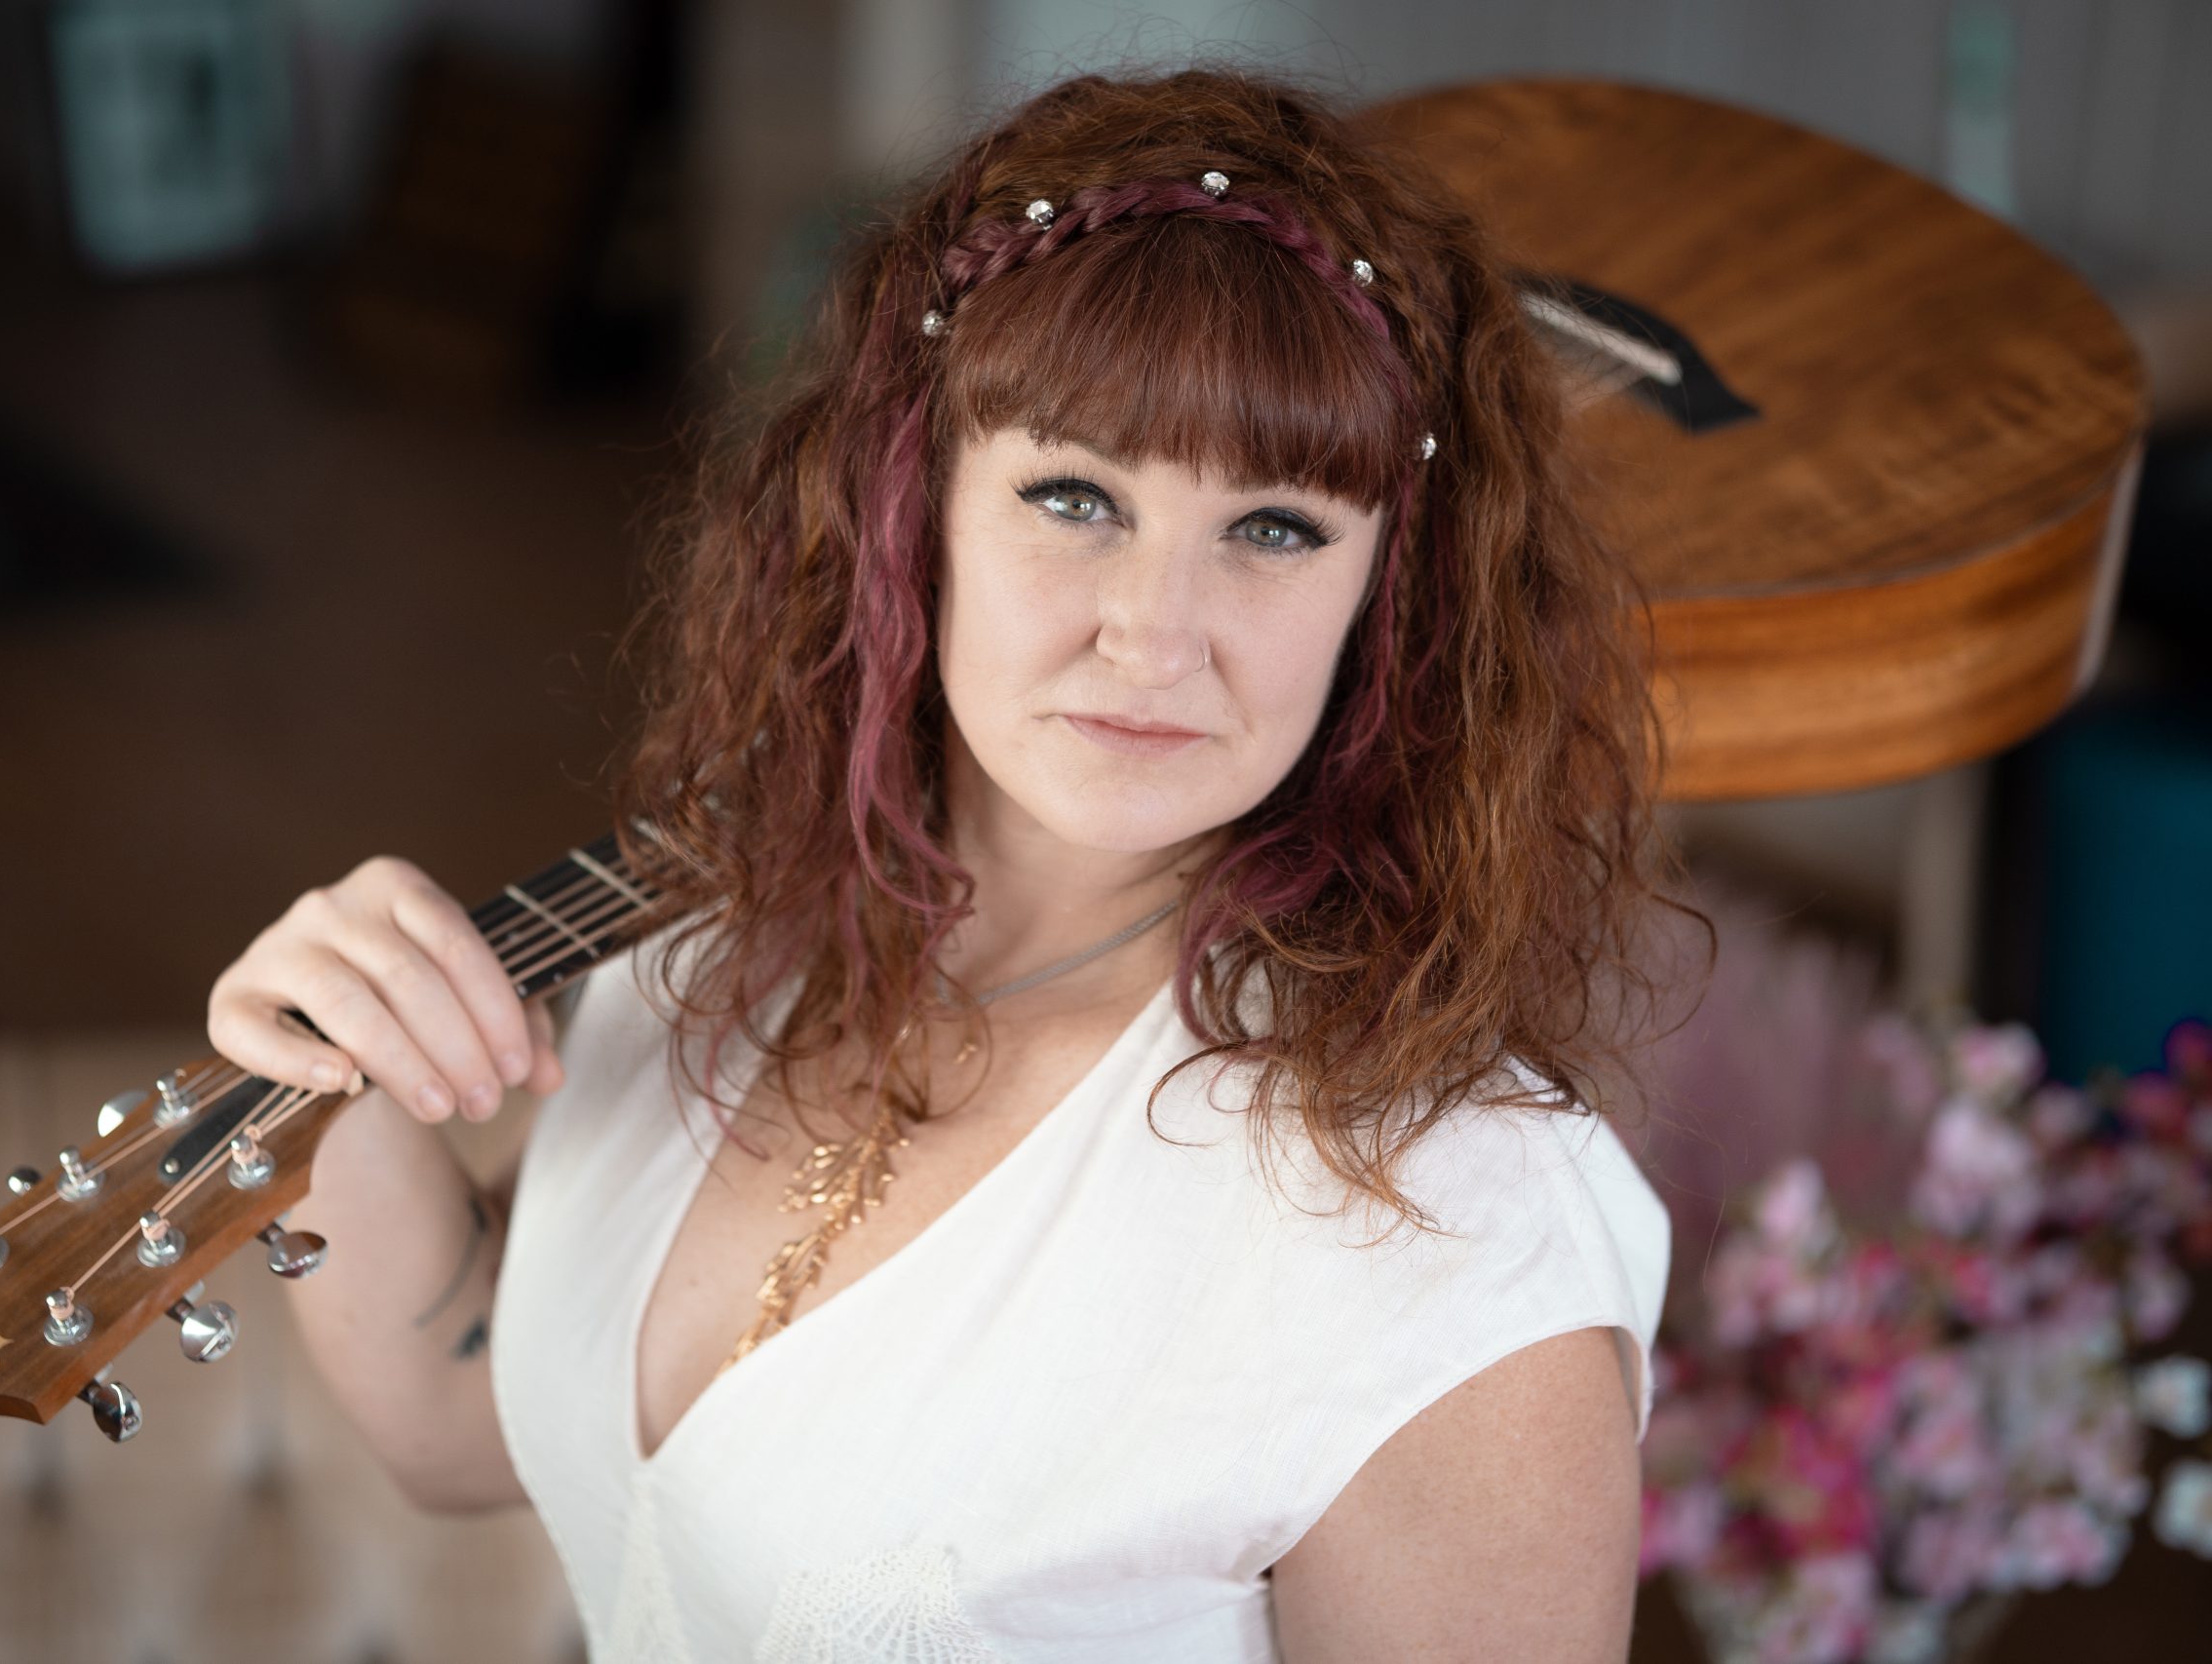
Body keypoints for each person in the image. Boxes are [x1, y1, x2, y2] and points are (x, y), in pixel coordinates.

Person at [206, 64, 1708, 1663]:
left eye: (1275, 527)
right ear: (909, 510)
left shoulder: (1452, 1233)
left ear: (1390, 593)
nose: (1153, 635)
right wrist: (327, 1075)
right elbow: (464, 1424)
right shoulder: (718, 928)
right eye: (1074, 497)